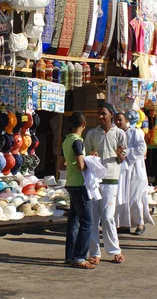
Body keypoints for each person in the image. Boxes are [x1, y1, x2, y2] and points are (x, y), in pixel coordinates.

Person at [84, 102, 127, 264]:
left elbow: (122, 158)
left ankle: (114, 250)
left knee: (108, 217)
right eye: (99, 114)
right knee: (93, 218)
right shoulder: (92, 134)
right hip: (94, 181)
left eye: (104, 113)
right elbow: (85, 156)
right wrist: (91, 154)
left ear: (111, 114)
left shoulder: (120, 134)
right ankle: (95, 253)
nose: (101, 117)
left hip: (111, 180)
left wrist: (119, 154)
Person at [62, 112, 95, 269]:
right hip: (80, 184)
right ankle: (80, 257)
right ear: (84, 124)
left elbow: (66, 162)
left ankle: (70, 256)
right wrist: (92, 160)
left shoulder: (67, 140)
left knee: (73, 221)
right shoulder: (77, 142)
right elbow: (81, 165)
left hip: (71, 182)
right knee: (87, 222)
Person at [115, 111, 154, 235]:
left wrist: (126, 153)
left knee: (135, 197)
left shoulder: (135, 132)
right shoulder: (116, 133)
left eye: (120, 120)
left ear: (126, 120)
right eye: (116, 120)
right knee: (122, 197)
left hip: (135, 168)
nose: (117, 122)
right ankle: (123, 224)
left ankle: (140, 223)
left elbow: (142, 148)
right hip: (122, 169)